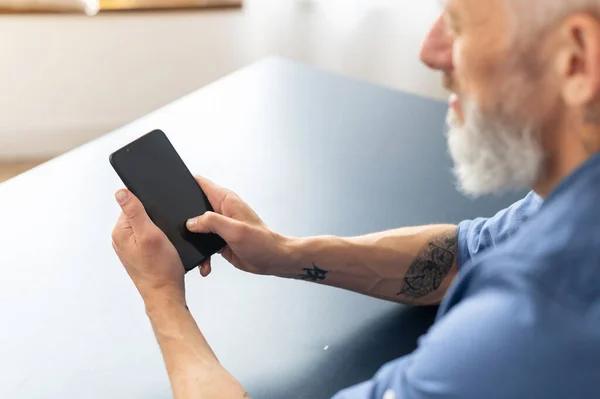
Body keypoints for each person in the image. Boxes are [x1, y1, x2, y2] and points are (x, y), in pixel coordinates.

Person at [111, 0, 600, 397]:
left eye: (459, 22)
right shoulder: (575, 194)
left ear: (576, 59)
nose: (430, 50)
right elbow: (461, 258)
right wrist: (282, 253)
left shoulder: (527, 326)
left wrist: (162, 298)